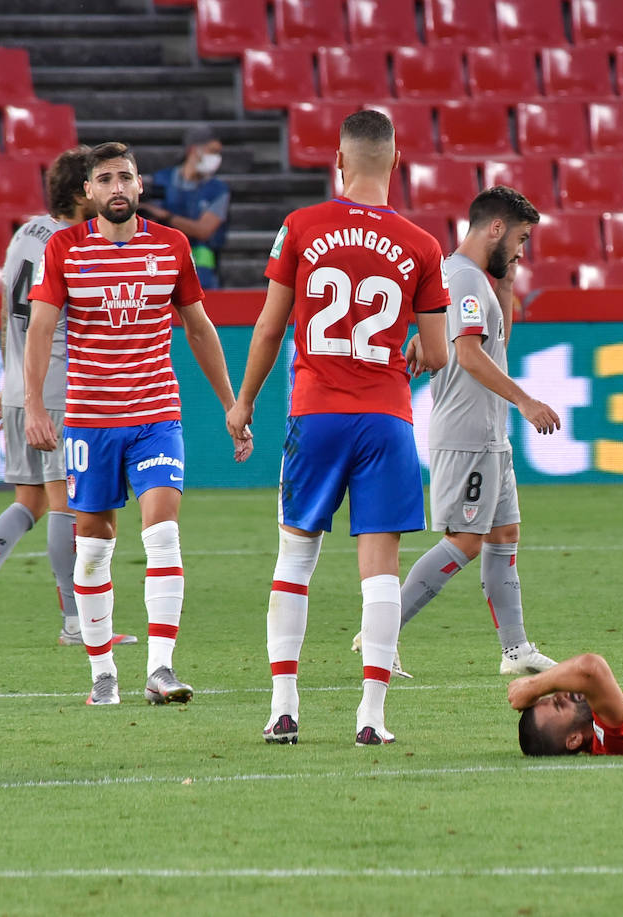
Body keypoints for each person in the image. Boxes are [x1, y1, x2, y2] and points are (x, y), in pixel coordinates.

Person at [223, 109, 450, 748]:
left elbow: (270, 327)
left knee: (295, 558)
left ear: (339, 161)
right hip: (385, 418)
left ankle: (283, 708)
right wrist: (411, 349)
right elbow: (435, 352)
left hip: (314, 413)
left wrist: (243, 403)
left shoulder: (299, 227)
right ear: (395, 162)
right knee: (379, 569)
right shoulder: (422, 244)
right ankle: (371, 717)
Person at [24, 141, 252, 706]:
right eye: (105, 179)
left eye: (126, 177)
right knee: (94, 549)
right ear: (89, 193)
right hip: (90, 422)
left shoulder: (173, 246)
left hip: (155, 416)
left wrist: (232, 404)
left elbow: (199, 329)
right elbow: (41, 330)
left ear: (142, 185)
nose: (117, 188)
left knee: (164, 532)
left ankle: (160, 669)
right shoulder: (65, 250)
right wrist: (33, 406)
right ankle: (103, 673)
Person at [354, 186, 561, 679]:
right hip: (467, 431)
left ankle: (515, 650)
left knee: (503, 534)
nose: (522, 250)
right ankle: (378, 634)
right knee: (466, 539)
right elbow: (469, 355)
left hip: (490, 433)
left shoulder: (475, 281)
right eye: (521, 238)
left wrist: (507, 285)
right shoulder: (464, 279)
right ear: (496, 229)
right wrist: (526, 400)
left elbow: (495, 341)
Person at [0, 147, 137, 651]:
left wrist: (12, 383)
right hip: (56, 388)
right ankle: (76, 623)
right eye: (97, 183)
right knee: (65, 504)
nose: (106, 192)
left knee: (27, 500)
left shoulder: (24, 234)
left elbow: (8, 308)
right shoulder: (75, 245)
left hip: (19, 386)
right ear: (82, 193)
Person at [141, 125, 229, 288]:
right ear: (194, 150)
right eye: (213, 151)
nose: (217, 158)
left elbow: (204, 231)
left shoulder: (218, 189)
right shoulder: (161, 180)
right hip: (162, 260)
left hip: (202, 271)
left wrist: (167, 217)